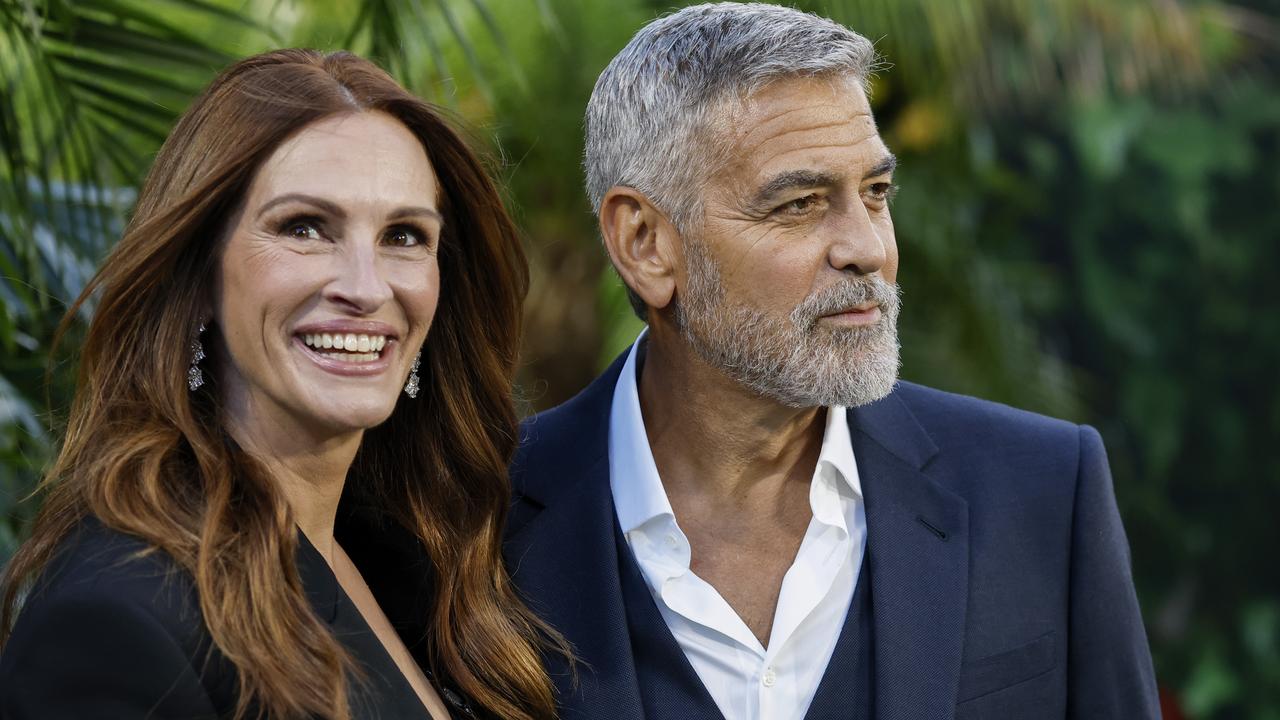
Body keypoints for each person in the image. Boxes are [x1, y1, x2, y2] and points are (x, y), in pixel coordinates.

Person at [503, 4, 1161, 720]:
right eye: (799, 203)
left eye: (875, 194)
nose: (868, 248)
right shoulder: (477, 519)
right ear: (645, 243)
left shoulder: (1041, 491)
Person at [0, 49, 564, 720]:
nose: (366, 287)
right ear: (199, 275)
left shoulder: (418, 563)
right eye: (304, 228)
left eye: (405, 236)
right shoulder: (119, 616)